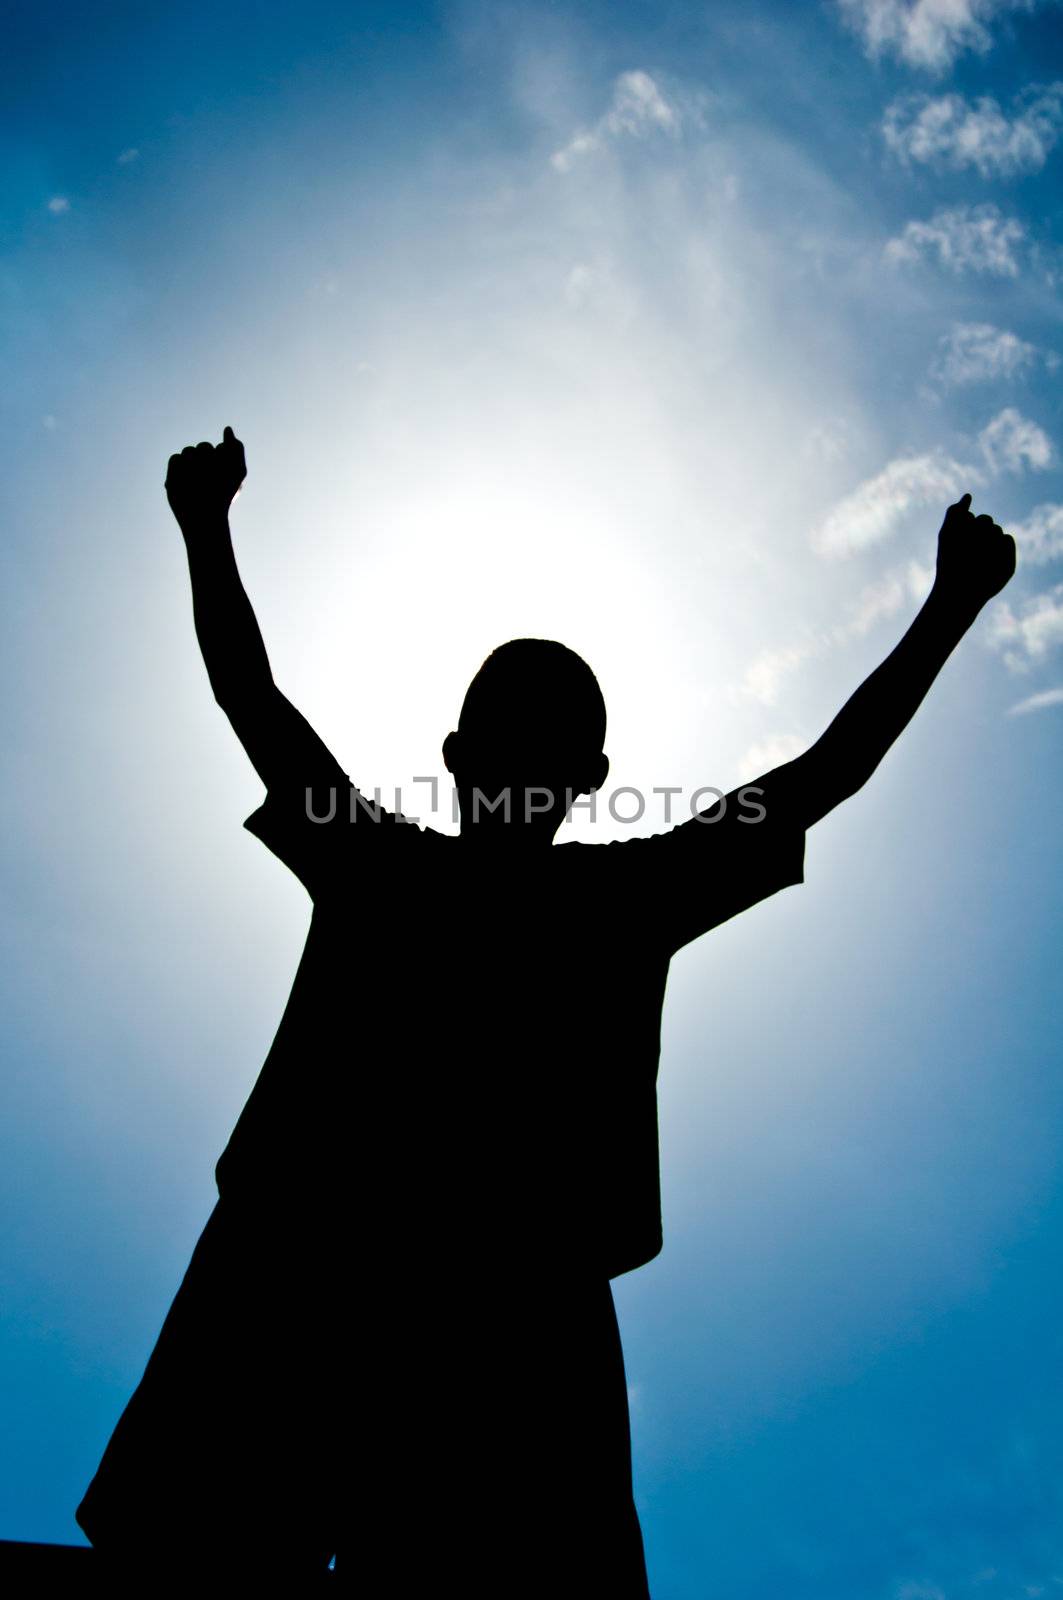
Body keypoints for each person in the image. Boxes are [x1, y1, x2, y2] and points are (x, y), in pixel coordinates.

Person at [75, 427, 1016, 1591]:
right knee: (195, 1555)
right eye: (511, 732)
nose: (520, 760)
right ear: (464, 754)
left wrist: (952, 605)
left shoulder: (590, 892)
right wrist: (204, 529)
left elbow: (819, 777)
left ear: (582, 775)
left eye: (546, 738)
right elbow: (250, 697)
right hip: (313, 1270)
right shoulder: (411, 865)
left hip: (502, 1305)